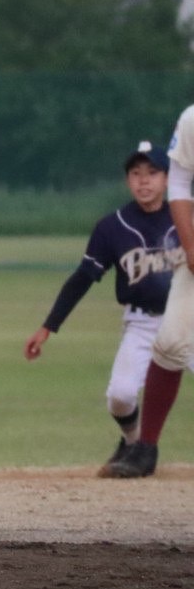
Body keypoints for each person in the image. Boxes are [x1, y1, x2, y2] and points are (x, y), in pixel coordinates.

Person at [24, 142, 178, 475]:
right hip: (140, 323)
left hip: (186, 321)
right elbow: (82, 278)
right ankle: (137, 446)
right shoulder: (113, 227)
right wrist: (49, 326)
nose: (144, 181)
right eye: (135, 174)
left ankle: (140, 451)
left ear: (167, 178)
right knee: (120, 396)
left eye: (153, 172)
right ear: (127, 181)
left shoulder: (186, 217)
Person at [112, 107, 194, 478]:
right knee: (170, 344)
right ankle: (145, 449)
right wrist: (189, 246)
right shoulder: (192, 119)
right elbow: (179, 182)